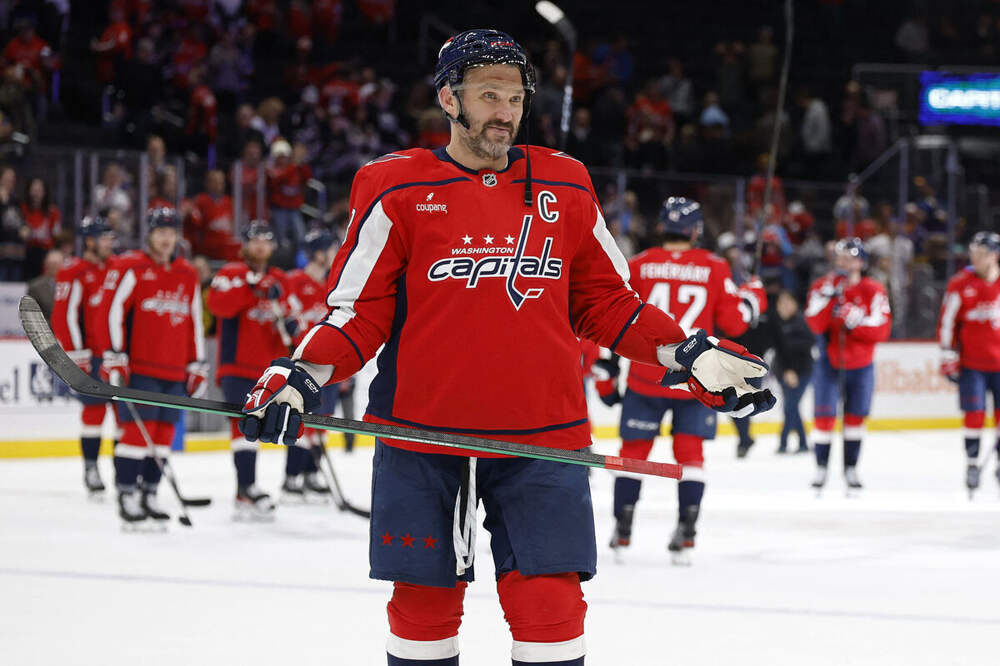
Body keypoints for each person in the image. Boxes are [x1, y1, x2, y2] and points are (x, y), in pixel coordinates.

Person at [237, 30, 772, 666]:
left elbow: (608, 302)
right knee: (422, 612)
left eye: (515, 98)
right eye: (490, 95)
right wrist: (301, 375)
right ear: (449, 99)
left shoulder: (566, 183)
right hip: (423, 436)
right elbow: (359, 313)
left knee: (552, 611)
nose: (506, 112)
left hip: (543, 438)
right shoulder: (393, 186)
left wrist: (687, 353)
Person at [603, 197, 758, 566]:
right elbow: (734, 323)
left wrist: (607, 374)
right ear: (695, 230)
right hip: (695, 380)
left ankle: (622, 529)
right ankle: (687, 532)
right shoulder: (715, 266)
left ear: (661, 226)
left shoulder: (639, 265)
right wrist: (752, 297)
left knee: (633, 453)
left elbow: (614, 317)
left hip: (647, 375)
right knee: (691, 456)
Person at [100, 208, 207, 525]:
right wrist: (115, 355)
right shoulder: (133, 267)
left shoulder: (187, 273)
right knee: (136, 434)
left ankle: (149, 493)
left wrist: (197, 364)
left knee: (162, 437)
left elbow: (194, 321)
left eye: (171, 232)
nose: (166, 238)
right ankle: (126, 494)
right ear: (149, 234)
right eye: (160, 232)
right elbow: (112, 311)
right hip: (141, 369)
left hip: (174, 370)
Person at [205, 220, 290, 518]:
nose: (261, 246)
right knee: (244, 426)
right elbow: (218, 306)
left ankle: (247, 491)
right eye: (256, 240)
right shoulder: (231, 273)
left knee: (261, 427)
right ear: (245, 245)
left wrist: (292, 324)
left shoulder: (279, 278)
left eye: (266, 241)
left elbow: (288, 318)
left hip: (271, 369)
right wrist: (252, 288)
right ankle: (246, 488)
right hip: (237, 366)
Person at [804, 237, 891, 492]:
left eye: (849, 258)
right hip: (828, 363)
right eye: (840, 257)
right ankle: (821, 467)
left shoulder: (873, 289)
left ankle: (851, 467)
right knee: (824, 418)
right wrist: (830, 299)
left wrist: (856, 321)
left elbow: (882, 330)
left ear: (861, 262)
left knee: (855, 419)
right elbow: (814, 323)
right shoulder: (822, 286)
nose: (843, 263)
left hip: (861, 365)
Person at [51, 215, 116, 494]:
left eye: (110, 237)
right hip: (92, 357)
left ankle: (124, 472)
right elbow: (63, 317)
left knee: (125, 414)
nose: (109, 243)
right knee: (94, 411)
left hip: (117, 355)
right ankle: (91, 468)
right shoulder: (74, 270)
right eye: (104, 238)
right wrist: (77, 355)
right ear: (90, 241)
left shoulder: (116, 268)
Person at [937, 231, 1000, 493]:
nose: (975, 258)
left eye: (981, 254)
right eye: (973, 252)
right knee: (974, 415)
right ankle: (972, 463)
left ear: (994, 256)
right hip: (972, 364)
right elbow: (947, 322)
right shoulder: (960, 283)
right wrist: (947, 355)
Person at [282, 228, 342, 499]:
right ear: (319, 253)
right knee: (301, 419)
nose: (335, 254)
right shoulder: (294, 280)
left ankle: (311, 474)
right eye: (331, 249)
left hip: (327, 364)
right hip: (303, 363)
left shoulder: (333, 285)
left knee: (322, 420)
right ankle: (291, 479)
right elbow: (287, 317)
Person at [767, 289, 814, 453]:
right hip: (783, 372)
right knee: (791, 407)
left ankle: (784, 442)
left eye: (788, 302)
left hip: (801, 372)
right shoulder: (776, 323)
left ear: (795, 304)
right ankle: (801, 443)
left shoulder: (801, 322)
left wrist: (791, 371)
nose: (784, 306)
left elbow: (806, 345)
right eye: (781, 303)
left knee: (790, 407)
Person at [20, 176, 61, 279]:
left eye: (39, 190)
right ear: (29, 191)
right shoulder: (22, 209)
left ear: (45, 192)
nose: (36, 193)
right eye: (34, 190)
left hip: (45, 252)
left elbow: (57, 234)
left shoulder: (53, 211)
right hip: (26, 252)